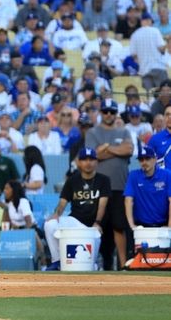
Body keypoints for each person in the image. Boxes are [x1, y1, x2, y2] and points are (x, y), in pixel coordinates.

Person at [43, 148, 110, 271]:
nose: (88, 163)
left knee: (89, 265)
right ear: (79, 162)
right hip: (75, 222)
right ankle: (57, 261)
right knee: (50, 224)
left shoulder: (103, 180)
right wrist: (56, 214)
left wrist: (98, 222)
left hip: (93, 227)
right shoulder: (73, 180)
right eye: (84, 160)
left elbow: (102, 205)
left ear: (97, 162)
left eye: (91, 159)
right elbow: (63, 202)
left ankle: (94, 266)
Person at [85, 98, 132, 270]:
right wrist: (115, 150)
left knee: (119, 226)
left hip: (120, 186)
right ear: (101, 113)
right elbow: (93, 156)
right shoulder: (92, 132)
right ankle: (99, 264)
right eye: (105, 111)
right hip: (98, 187)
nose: (109, 115)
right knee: (99, 227)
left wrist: (107, 148)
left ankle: (122, 265)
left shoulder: (124, 131)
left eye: (112, 112)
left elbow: (129, 150)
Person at [124, 146, 171, 231]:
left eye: (147, 158)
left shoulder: (167, 175)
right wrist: (131, 226)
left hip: (163, 224)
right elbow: (128, 200)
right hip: (140, 226)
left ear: (155, 159)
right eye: (141, 160)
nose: (144, 162)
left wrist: (169, 226)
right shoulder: (133, 175)